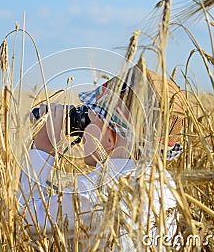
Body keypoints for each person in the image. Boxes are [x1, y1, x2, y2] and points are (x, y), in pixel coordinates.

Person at [18, 64, 186, 251]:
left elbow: (22, 222)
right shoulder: (166, 187)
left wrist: (42, 150)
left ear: (108, 138)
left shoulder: (92, 193)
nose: (82, 132)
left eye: (89, 119)